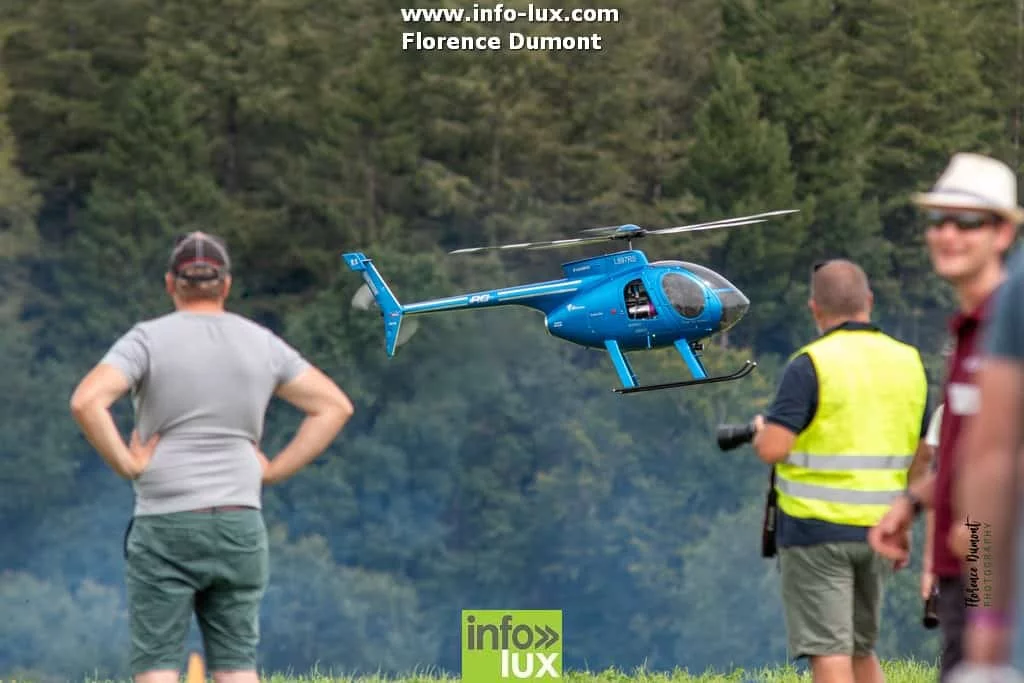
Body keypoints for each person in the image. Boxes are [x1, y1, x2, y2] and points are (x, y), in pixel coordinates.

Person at [69, 231, 355, 683]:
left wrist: (128, 464)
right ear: (226, 285)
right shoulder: (261, 342)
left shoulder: (146, 340)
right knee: (237, 668)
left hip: (165, 523)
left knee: (157, 668)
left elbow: (87, 401)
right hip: (240, 522)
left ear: (171, 284)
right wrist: (273, 471)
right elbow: (334, 406)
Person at [868, 152, 1019, 682]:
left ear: (1003, 233)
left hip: (993, 566)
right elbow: (965, 456)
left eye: (968, 222)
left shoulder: (1008, 326)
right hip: (968, 566)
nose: (948, 234)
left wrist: (980, 537)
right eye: (938, 220)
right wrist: (912, 503)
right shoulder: (969, 328)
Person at [752, 258, 930, 683]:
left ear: (815, 308)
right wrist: (904, 522)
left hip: (816, 530)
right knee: (861, 649)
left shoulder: (811, 363)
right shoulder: (908, 362)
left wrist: (761, 432)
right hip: (881, 527)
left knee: (829, 651)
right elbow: (923, 455)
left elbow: (774, 448)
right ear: (869, 300)